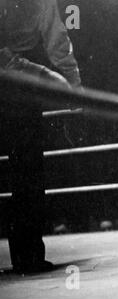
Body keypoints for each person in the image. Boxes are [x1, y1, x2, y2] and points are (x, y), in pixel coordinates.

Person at [0, 0, 82, 273]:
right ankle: (28, 256)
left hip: (18, 84)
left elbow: (57, 39)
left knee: (28, 170)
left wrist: (72, 85)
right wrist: (56, 80)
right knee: (27, 169)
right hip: (16, 75)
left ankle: (29, 256)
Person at [0, 0, 81, 87]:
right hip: (7, 63)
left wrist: (74, 83)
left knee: (59, 84)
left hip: (17, 62)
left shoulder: (45, 3)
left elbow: (57, 42)